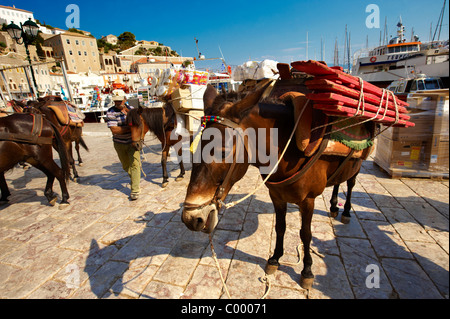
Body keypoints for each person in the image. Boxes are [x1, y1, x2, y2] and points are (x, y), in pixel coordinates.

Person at [105, 95, 141, 200]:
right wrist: (130, 128)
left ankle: (135, 190)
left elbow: (139, 124)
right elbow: (114, 130)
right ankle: (135, 179)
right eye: (115, 101)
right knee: (126, 166)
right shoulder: (111, 112)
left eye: (119, 101)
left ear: (124, 100)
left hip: (132, 142)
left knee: (135, 165)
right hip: (119, 143)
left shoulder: (132, 110)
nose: (117, 103)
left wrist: (133, 131)